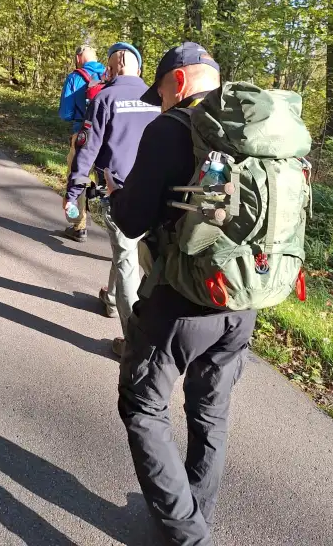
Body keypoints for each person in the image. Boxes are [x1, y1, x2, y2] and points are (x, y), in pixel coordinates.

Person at [107, 42, 257, 546]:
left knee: (143, 407)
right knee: (209, 412)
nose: (162, 101)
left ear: (178, 80)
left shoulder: (171, 129)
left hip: (182, 299)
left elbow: (132, 219)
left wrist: (115, 194)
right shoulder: (252, 132)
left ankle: (186, 533)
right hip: (243, 297)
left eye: (163, 90)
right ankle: (192, 510)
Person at [65, 42, 160, 355]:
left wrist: (74, 189)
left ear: (116, 65)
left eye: (108, 65)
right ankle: (109, 300)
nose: (106, 71)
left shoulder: (105, 97)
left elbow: (88, 147)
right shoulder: (159, 97)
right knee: (129, 251)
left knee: (126, 258)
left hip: (116, 189)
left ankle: (134, 343)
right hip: (155, 191)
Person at [59, 45, 106, 243]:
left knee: (78, 177)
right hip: (107, 133)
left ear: (79, 58)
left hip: (82, 134)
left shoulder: (75, 77)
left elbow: (65, 113)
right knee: (107, 180)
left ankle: (79, 227)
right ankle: (118, 231)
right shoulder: (109, 74)